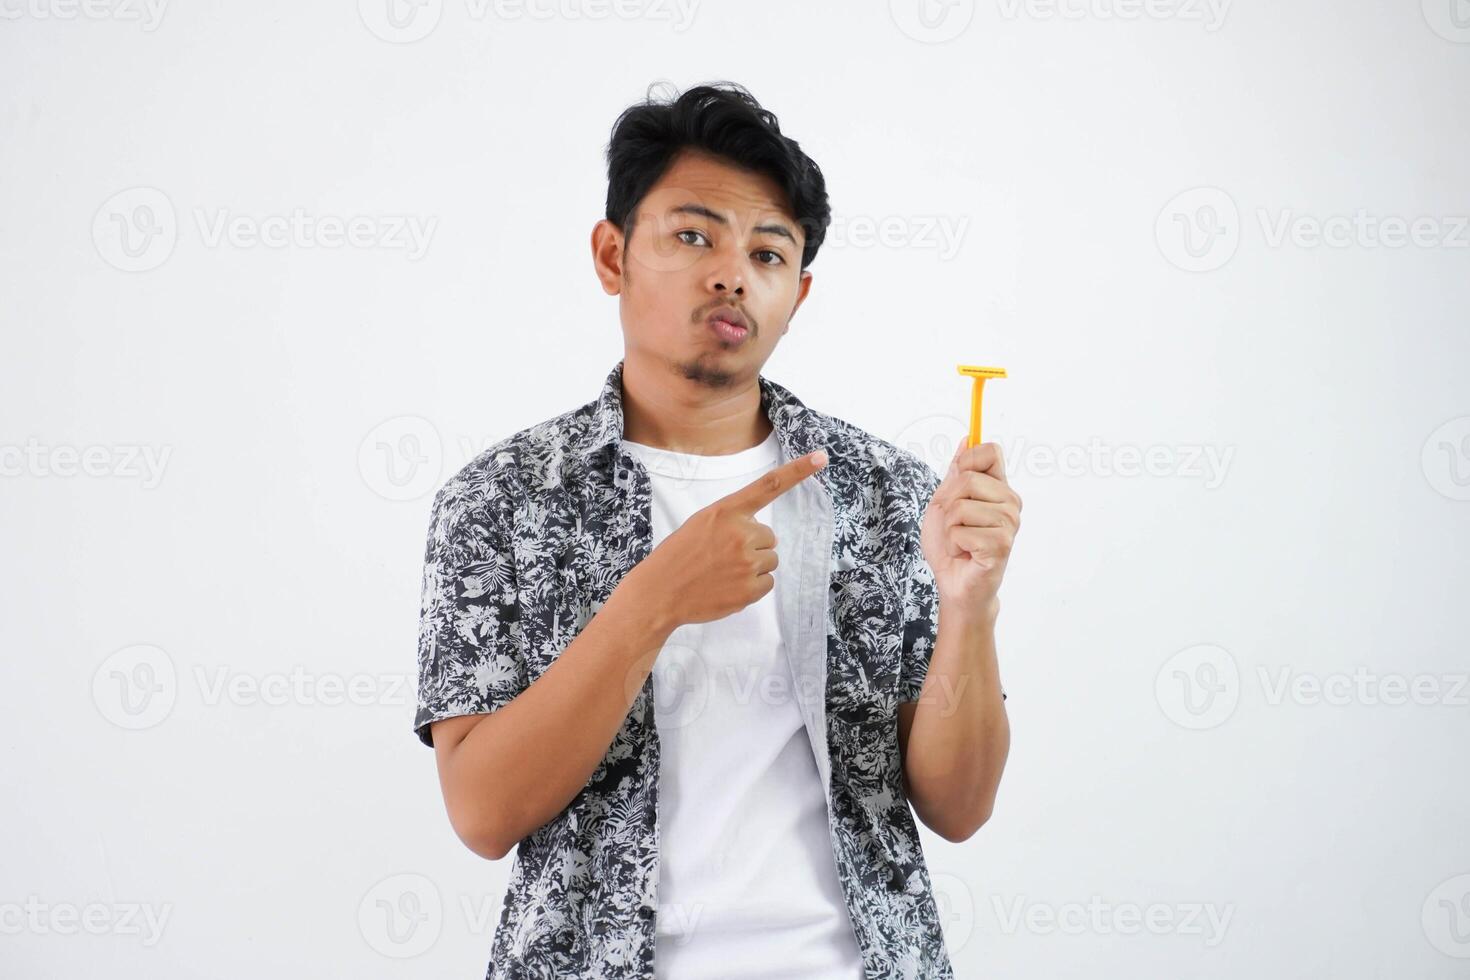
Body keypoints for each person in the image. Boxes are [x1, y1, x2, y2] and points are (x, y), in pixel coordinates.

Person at [413, 80, 1015, 979]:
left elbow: (959, 808)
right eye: (693, 235)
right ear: (612, 255)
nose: (733, 272)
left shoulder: (887, 493)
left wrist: (969, 610)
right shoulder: (502, 499)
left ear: (799, 293)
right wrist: (654, 600)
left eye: (769, 254)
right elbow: (482, 813)